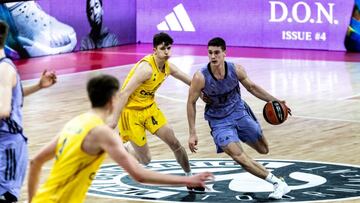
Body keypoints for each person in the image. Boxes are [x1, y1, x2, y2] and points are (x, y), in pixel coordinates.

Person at [28, 74, 213, 203]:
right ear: (113, 99)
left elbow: (35, 162)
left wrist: (32, 200)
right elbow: (139, 175)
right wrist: (188, 180)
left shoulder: (74, 122)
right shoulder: (101, 133)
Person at [187, 37, 291, 199]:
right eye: (210, 53)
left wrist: (275, 101)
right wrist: (192, 132)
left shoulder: (236, 70)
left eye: (216, 53)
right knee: (239, 157)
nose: (213, 56)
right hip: (219, 121)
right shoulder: (200, 77)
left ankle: (243, 132)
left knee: (264, 149)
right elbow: (190, 103)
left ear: (224, 54)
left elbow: (252, 87)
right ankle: (278, 183)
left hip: (239, 112)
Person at [109, 32, 205, 191]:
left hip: (150, 109)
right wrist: (113, 120)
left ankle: (190, 178)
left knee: (174, 142)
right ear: (155, 50)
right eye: (163, 49)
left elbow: (190, 81)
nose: (167, 52)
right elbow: (124, 93)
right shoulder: (146, 69)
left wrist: (203, 92)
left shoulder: (168, 67)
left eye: (169, 48)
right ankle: (126, 147)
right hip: (131, 113)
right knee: (145, 160)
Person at [0, 20, 57, 202]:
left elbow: (3, 109)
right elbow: (13, 94)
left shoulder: (3, 69)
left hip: (7, 145)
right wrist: (39, 86)